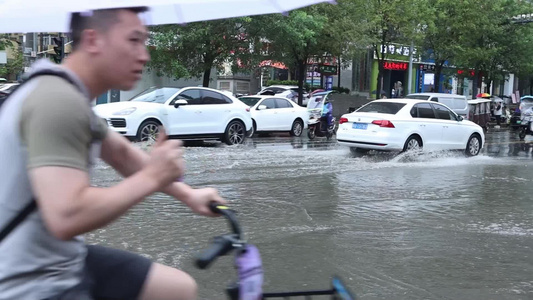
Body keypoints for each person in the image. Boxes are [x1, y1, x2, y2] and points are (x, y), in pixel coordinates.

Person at [0, 7, 225, 300]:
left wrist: (190, 195)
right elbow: (66, 216)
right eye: (133, 40)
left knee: (176, 289)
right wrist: (153, 177)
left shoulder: (67, 93)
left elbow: (122, 155)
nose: (144, 55)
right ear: (93, 40)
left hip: (58, 259)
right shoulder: (57, 101)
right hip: (28, 281)